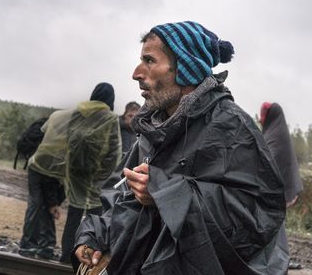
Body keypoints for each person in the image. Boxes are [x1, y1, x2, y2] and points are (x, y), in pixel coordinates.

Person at [73, 21, 288, 274]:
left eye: (150, 60)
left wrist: (165, 193)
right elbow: (120, 194)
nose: (136, 73)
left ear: (186, 68)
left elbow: (258, 216)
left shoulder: (231, 127)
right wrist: (95, 233)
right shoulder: (154, 127)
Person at [19, 82, 122, 262]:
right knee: (91, 216)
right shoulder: (107, 118)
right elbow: (114, 152)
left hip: (66, 172)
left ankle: (58, 252)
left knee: (60, 211)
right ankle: (35, 247)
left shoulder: (78, 112)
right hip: (79, 174)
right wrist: (102, 176)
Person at [259, 102, 304, 270]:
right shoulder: (276, 132)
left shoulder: (275, 136)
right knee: (275, 225)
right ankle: (278, 259)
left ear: (270, 115)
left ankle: (280, 260)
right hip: (277, 190)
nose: (261, 118)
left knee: (275, 225)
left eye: (264, 114)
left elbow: (268, 162)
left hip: (278, 190)